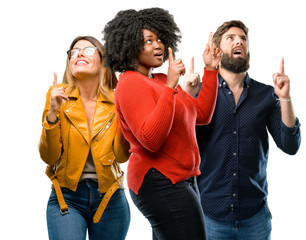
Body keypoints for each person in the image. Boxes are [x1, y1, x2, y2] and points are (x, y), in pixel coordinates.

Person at [102, 7, 222, 240]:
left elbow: (201, 114)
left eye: (159, 38)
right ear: (129, 45)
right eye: (148, 41)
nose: (157, 45)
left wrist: (210, 69)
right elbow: (151, 140)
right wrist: (170, 86)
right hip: (158, 180)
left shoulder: (158, 80)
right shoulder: (130, 83)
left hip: (182, 177)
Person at [184, 20, 301, 240]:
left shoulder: (266, 94)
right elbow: (182, 145)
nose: (239, 41)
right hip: (210, 215)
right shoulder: (200, 92)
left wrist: (285, 98)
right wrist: (187, 97)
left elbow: (290, 145)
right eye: (231, 38)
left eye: (243, 39)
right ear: (217, 50)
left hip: (254, 217)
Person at [38, 36, 130, 240]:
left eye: (88, 50)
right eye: (74, 51)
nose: (79, 53)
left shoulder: (118, 99)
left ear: (103, 61)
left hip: (110, 197)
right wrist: (52, 112)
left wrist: (125, 108)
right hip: (67, 197)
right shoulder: (56, 96)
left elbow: (122, 157)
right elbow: (49, 157)